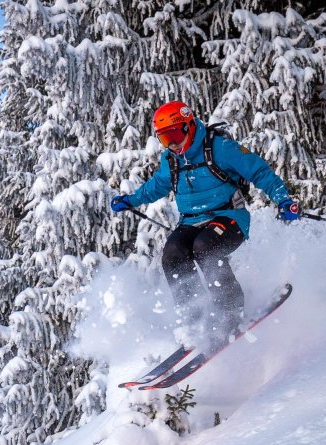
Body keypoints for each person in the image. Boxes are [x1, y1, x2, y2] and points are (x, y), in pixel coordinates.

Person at [110, 101, 300, 346]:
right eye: (165, 139)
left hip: (230, 217)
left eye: (176, 135)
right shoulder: (171, 160)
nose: (173, 144)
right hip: (191, 221)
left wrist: (283, 200)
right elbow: (157, 185)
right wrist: (130, 200)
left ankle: (230, 310)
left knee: (205, 247)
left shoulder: (219, 148)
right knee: (172, 253)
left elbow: (259, 171)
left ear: (189, 126)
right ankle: (196, 317)